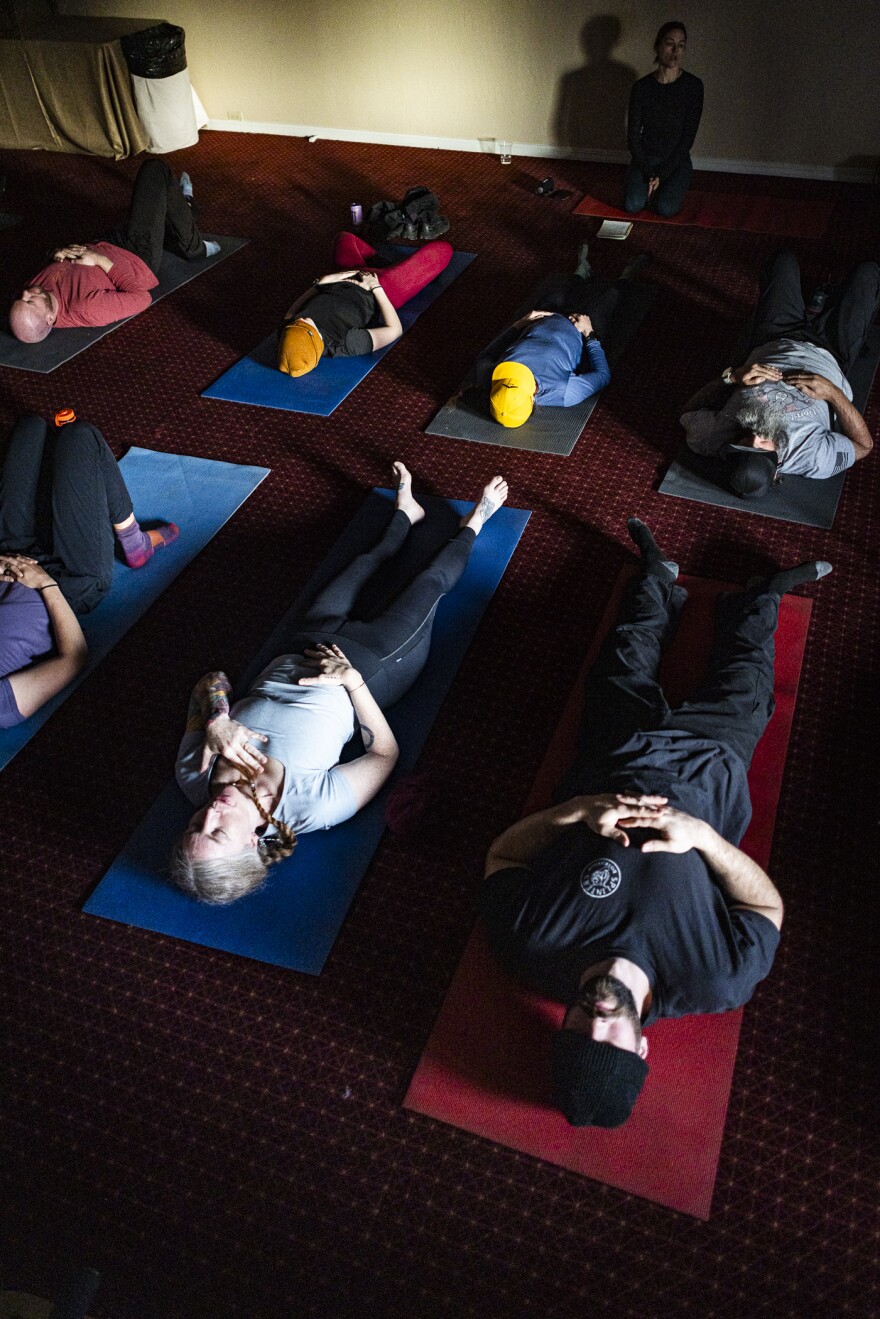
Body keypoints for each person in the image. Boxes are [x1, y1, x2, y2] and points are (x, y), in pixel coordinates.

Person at [480, 517, 832, 1128]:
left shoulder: (529, 945)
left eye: (578, 1030)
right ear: (642, 1048)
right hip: (711, 764)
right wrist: (703, 839)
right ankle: (761, 595)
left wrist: (579, 812)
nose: (597, 1017)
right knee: (748, 674)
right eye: (609, 1036)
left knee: (627, 647)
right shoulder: (713, 980)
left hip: (611, 758)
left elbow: (503, 859)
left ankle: (658, 575)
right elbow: (768, 909)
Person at [171, 464, 508, 904]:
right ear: (253, 843)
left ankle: (406, 513)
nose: (210, 814)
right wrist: (352, 682)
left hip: (304, 642)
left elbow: (211, 679)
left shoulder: (194, 775)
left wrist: (217, 720)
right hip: (374, 667)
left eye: (196, 825)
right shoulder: (311, 808)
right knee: (430, 582)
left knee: (362, 563)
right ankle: (477, 520)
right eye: (216, 833)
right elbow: (385, 754)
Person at [0, 412, 179, 728]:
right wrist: (45, 585)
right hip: (68, 583)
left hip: (9, 553)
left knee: (30, 427)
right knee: (80, 438)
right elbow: (74, 659)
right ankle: (134, 542)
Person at [681, 251, 880, 494]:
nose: (754, 437)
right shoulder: (813, 459)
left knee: (782, 261)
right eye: (761, 447)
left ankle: (815, 304)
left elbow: (689, 411)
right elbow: (864, 446)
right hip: (831, 353)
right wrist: (832, 392)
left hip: (774, 338)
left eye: (744, 444)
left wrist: (731, 377)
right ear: (777, 469)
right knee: (868, 273)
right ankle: (822, 305)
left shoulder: (711, 439)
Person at [9, 161, 219, 342]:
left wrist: (55, 254)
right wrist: (99, 260)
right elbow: (141, 298)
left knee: (159, 206)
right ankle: (195, 248)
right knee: (155, 171)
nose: (26, 292)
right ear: (48, 318)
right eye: (30, 301)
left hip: (104, 242)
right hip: (136, 254)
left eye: (22, 297)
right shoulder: (87, 309)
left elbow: (51, 267)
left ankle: (186, 206)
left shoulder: (36, 292)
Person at [464, 253, 650, 428]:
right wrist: (590, 334)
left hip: (543, 318)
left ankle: (581, 273)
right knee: (608, 298)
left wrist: (520, 323)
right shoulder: (564, 392)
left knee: (557, 291)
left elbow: (485, 354)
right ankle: (626, 278)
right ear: (533, 397)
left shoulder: (490, 375)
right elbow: (602, 376)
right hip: (578, 329)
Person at [276, 233, 453, 376]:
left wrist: (321, 283)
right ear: (315, 340)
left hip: (343, 275)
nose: (304, 318)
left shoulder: (288, 327)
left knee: (344, 238)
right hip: (381, 287)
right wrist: (376, 288)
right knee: (442, 250)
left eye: (297, 323)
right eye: (307, 326)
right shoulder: (346, 343)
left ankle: (383, 265)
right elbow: (395, 330)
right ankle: (387, 268)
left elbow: (294, 307)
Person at [623, 21, 703, 218]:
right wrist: (650, 173)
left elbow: (687, 139)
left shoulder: (693, 87)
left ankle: (665, 188)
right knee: (632, 205)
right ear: (658, 46)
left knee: (665, 208)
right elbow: (633, 136)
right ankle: (649, 186)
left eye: (681, 45)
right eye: (670, 43)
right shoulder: (642, 87)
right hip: (646, 158)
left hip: (676, 161)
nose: (675, 50)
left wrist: (662, 174)